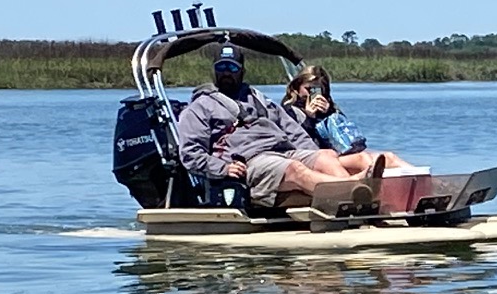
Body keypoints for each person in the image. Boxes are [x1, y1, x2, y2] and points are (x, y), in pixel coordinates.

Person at [174, 45, 385, 207]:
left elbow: (292, 131)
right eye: (221, 67)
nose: (226, 73)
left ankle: (358, 200)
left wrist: (314, 154)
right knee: (295, 169)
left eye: (232, 67)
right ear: (214, 70)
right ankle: (351, 191)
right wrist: (223, 168)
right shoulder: (199, 107)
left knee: (326, 156)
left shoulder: (257, 99)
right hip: (249, 160)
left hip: (283, 152)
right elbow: (190, 154)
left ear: (242, 70)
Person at [281, 64, 408, 169]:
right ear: (297, 89)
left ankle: (423, 180)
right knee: (361, 159)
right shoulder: (289, 110)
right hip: (315, 159)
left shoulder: (329, 109)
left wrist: (329, 114)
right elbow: (298, 141)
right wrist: (309, 117)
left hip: (338, 155)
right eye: (308, 89)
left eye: (317, 90)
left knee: (389, 157)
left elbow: (346, 138)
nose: (312, 94)